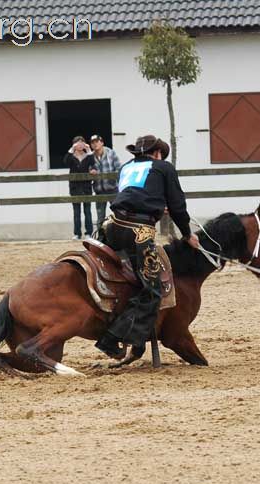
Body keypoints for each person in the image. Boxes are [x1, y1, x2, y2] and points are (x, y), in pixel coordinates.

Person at [95, 134, 200, 358]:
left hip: (112, 226)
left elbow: (133, 195)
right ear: (158, 153)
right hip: (137, 231)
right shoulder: (164, 167)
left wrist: (154, 204)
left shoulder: (126, 167)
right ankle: (113, 339)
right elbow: (178, 205)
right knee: (153, 290)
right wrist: (187, 233)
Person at [63, 136, 95, 239]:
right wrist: (71, 150)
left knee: (87, 210)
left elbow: (93, 163)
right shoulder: (71, 157)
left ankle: (88, 233)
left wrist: (89, 150)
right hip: (75, 187)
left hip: (86, 186)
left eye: (82, 143)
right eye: (78, 143)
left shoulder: (88, 156)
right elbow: (66, 162)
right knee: (76, 211)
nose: (80, 145)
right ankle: (77, 233)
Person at [89, 134, 122, 231]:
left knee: (118, 213)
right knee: (100, 216)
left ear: (102, 142)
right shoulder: (90, 156)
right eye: (93, 143)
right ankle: (100, 237)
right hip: (99, 189)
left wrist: (112, 177)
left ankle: (119, 234)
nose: (95, 144)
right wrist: (90, 172)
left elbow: (119, 168)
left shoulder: (111, 153)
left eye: (97, 142)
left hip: (113, 189)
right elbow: (87, 170)